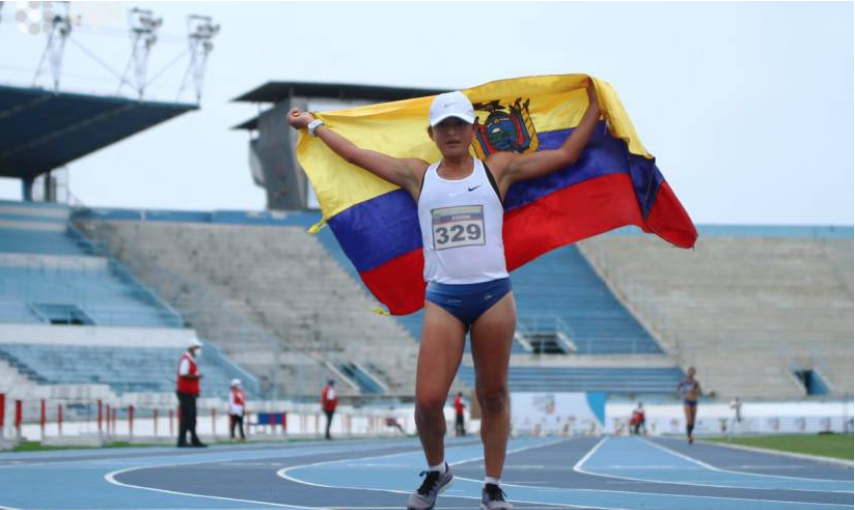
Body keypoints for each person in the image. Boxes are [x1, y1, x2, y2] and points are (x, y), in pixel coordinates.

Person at [288, 81, 601, 510]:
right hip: (444, 300)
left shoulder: (499, 168)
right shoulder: (419, 175)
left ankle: (492, 485)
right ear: (432, 134)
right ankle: (437, 471)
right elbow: (357, 156)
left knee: (492, 395)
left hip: (493, 296)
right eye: (443, 126)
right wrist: (314, 125)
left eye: (458, 124)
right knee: (428, 402)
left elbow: (565, 156)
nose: (451, 132)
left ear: (472, 129)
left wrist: (595, 109)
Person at [176, 338, 206, 447]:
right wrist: (197, 376)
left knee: (191, 417)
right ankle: (183, 440)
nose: (198, 350)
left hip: (189, 393)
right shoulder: (186, 359)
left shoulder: (190, 360)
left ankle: (192, 439)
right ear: (191, 348)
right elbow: (183, 374)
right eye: (197, 347)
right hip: (185, 392)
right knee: (187, 417)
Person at [677, 367, 702, 444]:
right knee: (689, 419)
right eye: (690, 372)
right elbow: (678, 388)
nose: (691, 373)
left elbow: (700, 392)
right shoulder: (683, 381)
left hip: (694, 401)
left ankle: (691, 433)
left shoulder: (695, 382)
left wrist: (695, 391)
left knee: (693, 420)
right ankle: (689, 436)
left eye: (692, 372)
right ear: (687, 372)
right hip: (687, 401)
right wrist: (681, 394)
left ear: (694, 373)